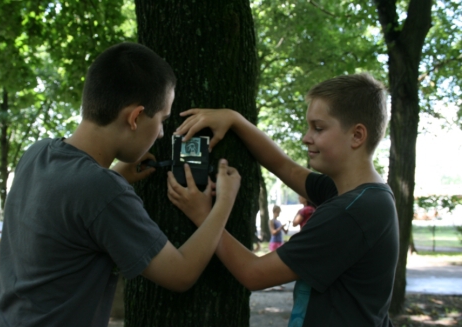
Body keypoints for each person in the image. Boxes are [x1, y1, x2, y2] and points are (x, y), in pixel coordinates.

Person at [0, 42, 241, 327]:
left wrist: (116, 174)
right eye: (162, 119)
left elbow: (70, 208)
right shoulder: (104, 190)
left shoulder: (37, 153)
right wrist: (224, 201)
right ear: (135, 117)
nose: (162, 133)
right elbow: (181, 274)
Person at [168, 73, 399, 326]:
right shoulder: (362, 194)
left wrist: (204, 216)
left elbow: (253, 273)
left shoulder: (350, 212)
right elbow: (285, 167)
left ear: (357, 135)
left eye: (318, 128)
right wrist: (234, 119)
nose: (306, 137)